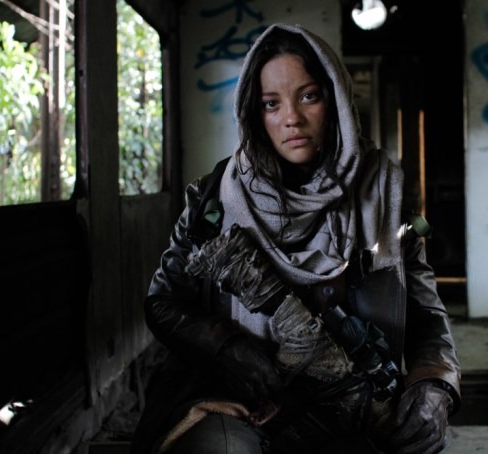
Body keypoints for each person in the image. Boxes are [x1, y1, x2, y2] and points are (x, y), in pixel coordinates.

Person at [131, 23, 461, 454]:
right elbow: (163, 301)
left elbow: (426, 314)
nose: (292, 118)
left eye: (309, 96)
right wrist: (227, 348)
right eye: (272, 103)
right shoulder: (213, 200)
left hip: (353, 403)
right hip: (241, 403)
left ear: (336, 100)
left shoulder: (383, 198)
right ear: (254, 112)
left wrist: (435, 383)